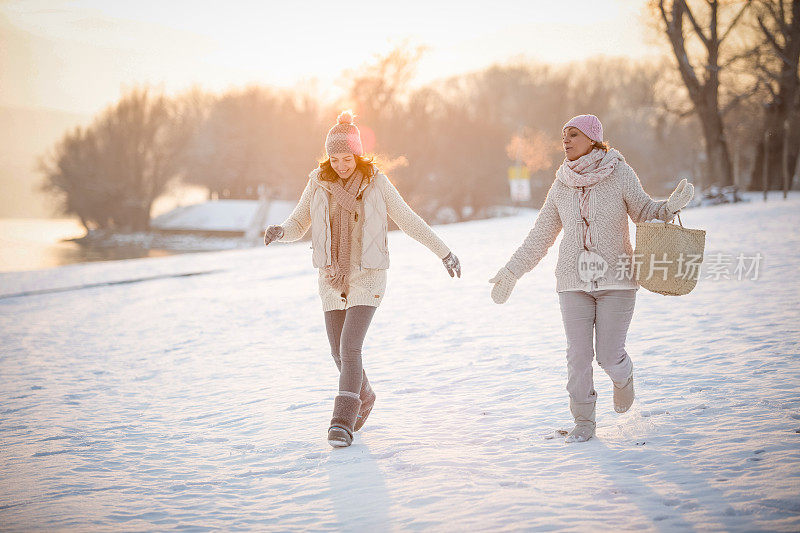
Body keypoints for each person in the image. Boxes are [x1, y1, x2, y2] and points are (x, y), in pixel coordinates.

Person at [489, 114, 694, 443]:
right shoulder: (561, 183)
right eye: (563, 135)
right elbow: (540, 236)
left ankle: (623, 376)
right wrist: (512, 270)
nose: (566, 140)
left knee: (609, 354)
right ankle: (584, 421)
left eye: (573, 134)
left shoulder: (620, 173)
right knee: (578, 355)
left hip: (618, 280)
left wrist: (669, 207)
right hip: (573, 283)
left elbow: (644, 211)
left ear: (593, 139)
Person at [264, 111, 461, 448]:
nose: (341, 165)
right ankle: (365, 396)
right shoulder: (318, 183)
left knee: (350, 348)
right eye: (335, 158)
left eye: (347, 158)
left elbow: (410, 222)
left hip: (367, 276)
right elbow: (299, 224)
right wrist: (281, 231)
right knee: (337, 352)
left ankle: (342, 422)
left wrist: (443, 252)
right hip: (331, 276)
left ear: (358, 154)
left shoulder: (377, 183)